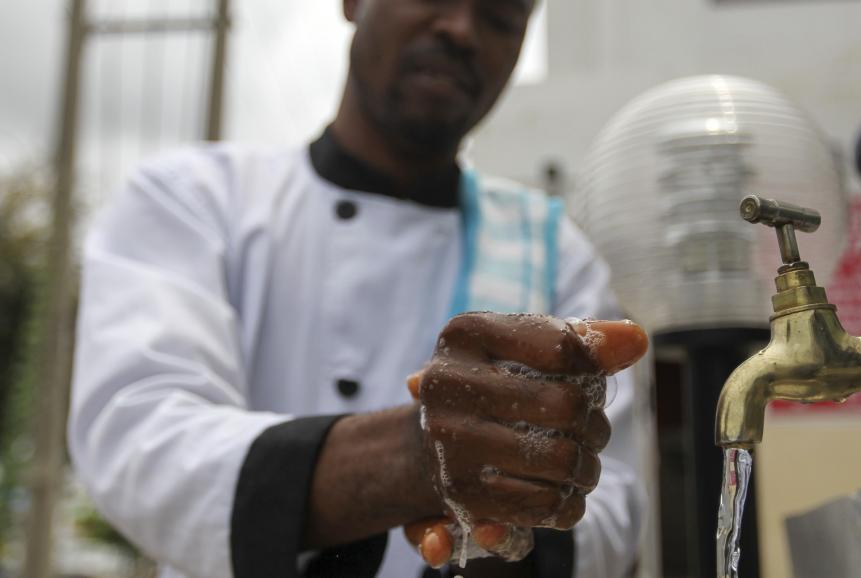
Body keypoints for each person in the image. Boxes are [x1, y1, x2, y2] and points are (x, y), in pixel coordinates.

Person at [68, 0, 649, 577]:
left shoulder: (558, 255)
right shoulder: (195, 201)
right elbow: (139, 432)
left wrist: (506, 524)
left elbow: (616, 500)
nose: (460, 29)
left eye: (500, 14)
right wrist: (413, 459)